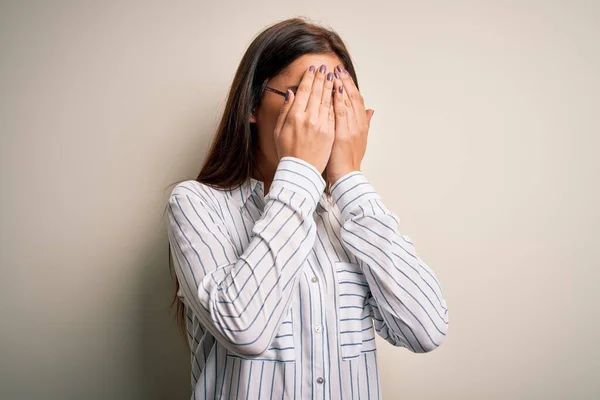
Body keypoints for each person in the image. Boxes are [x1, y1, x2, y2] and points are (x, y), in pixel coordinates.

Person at [165, 17, 449, 399]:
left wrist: (348, 177)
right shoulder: (196, 204)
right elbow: (244, 329)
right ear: (252, 104)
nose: (322, 117)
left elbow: (427, 329)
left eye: (336, 100)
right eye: (307, 97)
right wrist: (299, 170)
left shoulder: (347, 217)